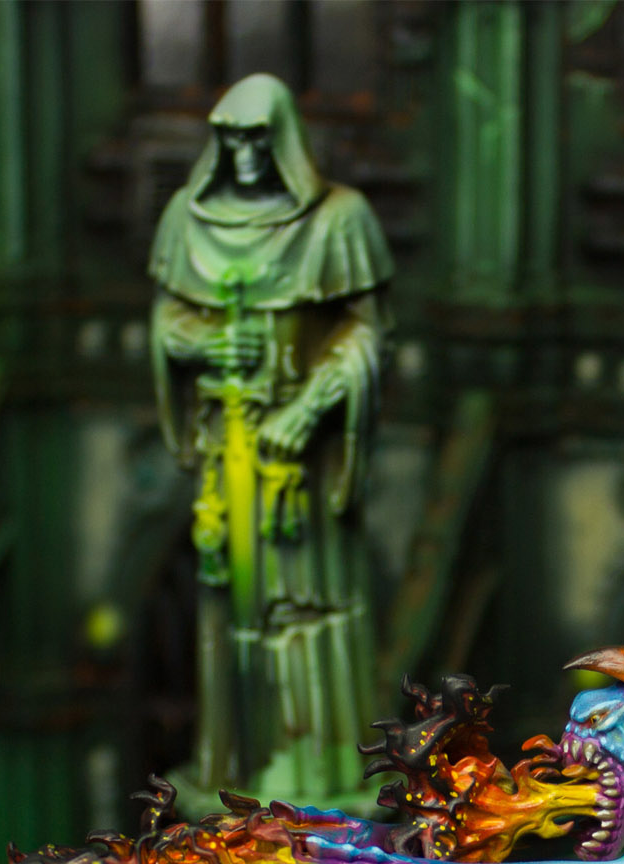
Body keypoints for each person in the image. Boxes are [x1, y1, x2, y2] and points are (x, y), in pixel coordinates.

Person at [149, 74, 392, 799]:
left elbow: (365, 337)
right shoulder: (185, 218)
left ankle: (310, 770)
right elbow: (167, 321)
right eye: (232, 140)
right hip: (228, 451)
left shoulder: (339, 221)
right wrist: (198, 343)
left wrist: (310, 408)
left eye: (259, 140)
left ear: (283, 141)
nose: (247, 155)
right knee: (230, 604)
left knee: (303, 602)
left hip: (301, 471)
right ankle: (234, 766)